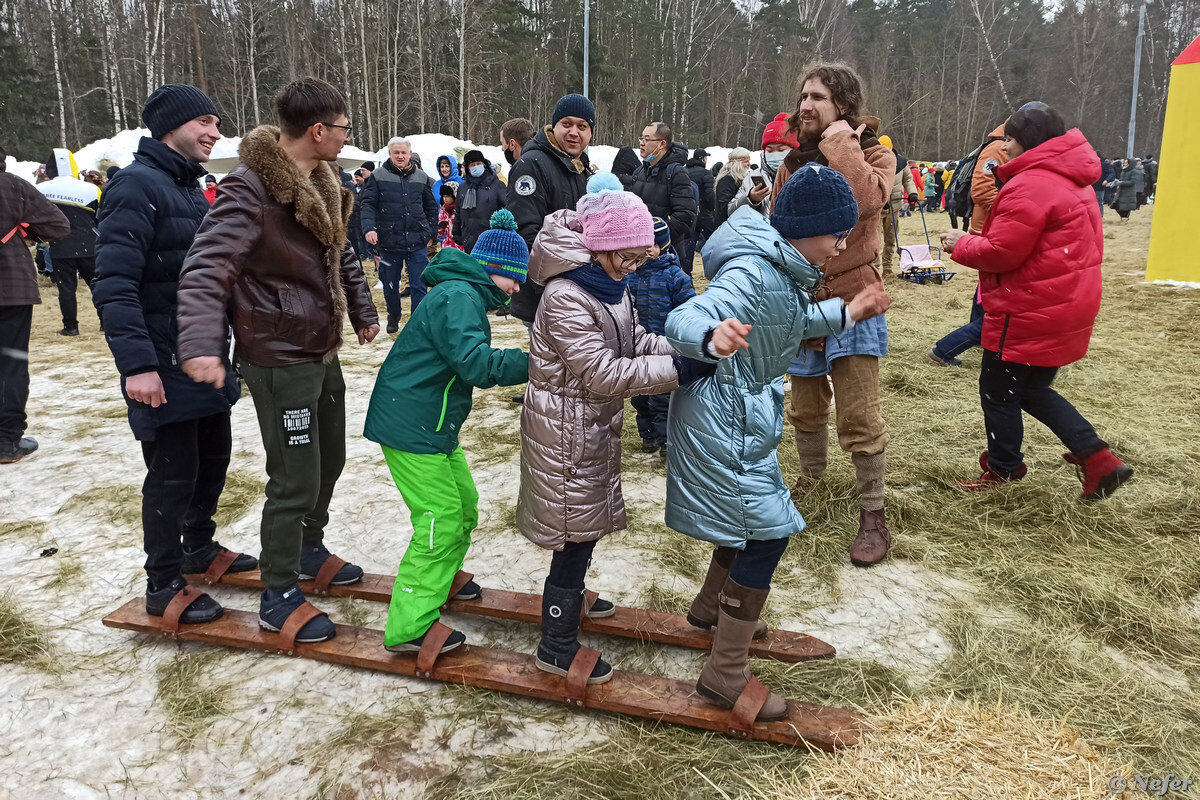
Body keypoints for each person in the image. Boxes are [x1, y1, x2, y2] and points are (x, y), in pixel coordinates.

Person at [667, 165, 890, 721]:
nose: (841, 247)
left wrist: (849, 310)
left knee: (751, 525)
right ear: (805, 228)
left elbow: (788, 321)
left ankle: (710, 609)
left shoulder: (781, 269)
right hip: (722, 420)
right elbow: (684, 315)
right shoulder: (752, 270)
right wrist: (708, 335)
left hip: (739, 416)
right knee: (768, 532)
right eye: (835, 235)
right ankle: (725, 674)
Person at [178, 77, 380, 644]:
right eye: (343, 128)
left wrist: (361, 309)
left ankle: (309, 547)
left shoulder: (325, 180)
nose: (347, 138)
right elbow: (206, 266)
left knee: (330, 460)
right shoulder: (250, 189)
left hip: (319, 348)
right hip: (277, 354)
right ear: (318, 130)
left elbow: (339, 257)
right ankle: (279, 592)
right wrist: (199, 346)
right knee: (293, 478)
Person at [518, 175, 694, 685]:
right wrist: (680, 374)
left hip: (591, 430)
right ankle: (556, 643)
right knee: (573, 535)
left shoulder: (611, 287)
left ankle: (569, 602)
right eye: (630, 257)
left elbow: (635, 341)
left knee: (585, 528)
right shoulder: (565, 297)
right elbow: (603, 372)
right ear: (601, 247)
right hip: (566, 434)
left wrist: (686, 350)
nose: (635, 267)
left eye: (642, 258)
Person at [93, 84, 257, 625]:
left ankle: (198, 548)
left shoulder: (188, 187)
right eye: (204, 123)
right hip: (161, 363)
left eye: (217, 124)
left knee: (213, 463)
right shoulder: (136, 186)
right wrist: (137, 366)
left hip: (203, 360)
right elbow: (115, 283)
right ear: (171, 126)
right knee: (171, 474)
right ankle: (163, 583)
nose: (215, 133)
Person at [939, 104, 1132, 500]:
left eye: (1009, 139)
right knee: (1032, 390)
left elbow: (1001, 252)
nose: (1004, 148)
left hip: (1028, 307)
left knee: (997, 389)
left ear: (1029, 142)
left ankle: (1005, 468)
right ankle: (1097, 458)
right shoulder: (1072, 179)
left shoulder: (1031, 184)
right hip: (1062, 305)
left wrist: (961, 243)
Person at [364, 210, 530, 655]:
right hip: (412, 425)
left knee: (465, 507)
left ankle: (439, 582)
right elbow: (476, 364)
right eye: (516, 279)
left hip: (430, 425)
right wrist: (535, 363)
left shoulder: (463, 294)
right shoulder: (459, 297)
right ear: (497, 271)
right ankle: (410, 627)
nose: (516, 290)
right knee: (440, 520)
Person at [771, 62, 897, 567]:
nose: (806, 105)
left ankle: (873, 512)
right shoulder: (791, 164)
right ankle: (813, 481)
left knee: (859, 413)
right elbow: (777, 231)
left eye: (819, 98)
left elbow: (865, 202)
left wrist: (842, 142)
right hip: (803, 301)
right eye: (803, 95)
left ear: (842, 107)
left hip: (855, 297)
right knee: (803, 406)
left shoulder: (873, 157)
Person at [506, 94, 597, 402]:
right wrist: (566, 276)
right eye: (567, 124)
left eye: (582, 126)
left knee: (566, 362)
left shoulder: (579, 166)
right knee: (552, 363)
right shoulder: (533, 164)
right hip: (545, 286)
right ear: (553, 126)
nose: (574, 132)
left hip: (576, 284)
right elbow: (527, 231)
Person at [0, 144, 70, 464]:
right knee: (10, 363)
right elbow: (58, 226)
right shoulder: (13, 186)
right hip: (8, 286)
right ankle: (5, 441)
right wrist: (25, 230)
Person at [627, 217, 695, 454]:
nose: (647, 249)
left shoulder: (676, 276)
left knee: (662, 395)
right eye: (643, 243)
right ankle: (647, 435)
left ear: (664, 246)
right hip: (637, 345)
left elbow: (689, 309)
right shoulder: (630, 276)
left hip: (663, 346)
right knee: (639, 395)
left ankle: (666, 438)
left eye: (653, 244)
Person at [361, 137, 438, 332]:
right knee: (390, 284)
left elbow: (431, 207)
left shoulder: (422, 177)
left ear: (410, 154)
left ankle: (417, 323)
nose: (400, 156)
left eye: (404, 153)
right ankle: (393, 315)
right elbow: (367, 204)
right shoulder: (377, 177)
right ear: (390, 154)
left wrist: (431, 232)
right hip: (388, 242)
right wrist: (369, 228)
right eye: (397, 153)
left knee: (419, 284)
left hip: (417, 241)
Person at [36, 148, 100, 337]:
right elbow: (101, 216)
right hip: (90, 245)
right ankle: (106, 322)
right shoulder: (91, 189)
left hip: (60, 246)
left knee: (66, 289)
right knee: (97, 286)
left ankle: (71, 327)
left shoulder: (41, 190)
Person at [627, 121, 698, 262]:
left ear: (662, 144)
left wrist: (660, 242)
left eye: (647, 139)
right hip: (640, 252)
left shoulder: (676, 172)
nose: (642, 143)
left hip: (667, 254)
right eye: (641, 138)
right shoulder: (639, 172)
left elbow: (685, 215)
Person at [729, 112, 798, 220]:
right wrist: (751, 199)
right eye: (769, 150)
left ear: (794, 150)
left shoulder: (802, 176)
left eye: (781, 150)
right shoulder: (753, 177)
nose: (775, 154)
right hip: (761, 235)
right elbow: (731, 212)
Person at [875, 134, 917, 276]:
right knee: (875, 241)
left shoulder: (901, 163)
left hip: (895, 206)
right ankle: (874, 267)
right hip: (878, 208)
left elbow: (908, 180)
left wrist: (913, 194)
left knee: (891, 238)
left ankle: (887, 267)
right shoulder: (873, 161)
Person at [452, 149, 506, 253]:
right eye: (472, 165)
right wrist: (457, 233)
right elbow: (458, 212)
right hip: (468, 240)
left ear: (484, 165)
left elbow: (506, 211)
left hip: (491, 242)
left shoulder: (497, 185)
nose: (476, 167)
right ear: (467, 168)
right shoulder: (462, 188)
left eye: (478, 163)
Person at [682, 148, 716, 275]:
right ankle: (715, 270)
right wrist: (711, 208)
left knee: (688, 246)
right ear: (703, 159)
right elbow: (709, 195)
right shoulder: (706, 173)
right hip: (704, 214)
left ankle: (686, 272)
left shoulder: (684, 172)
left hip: (689, 214)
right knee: (714, 242)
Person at [713, 147, 751, 230]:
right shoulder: (727, 180)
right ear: (737, 163)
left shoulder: (740, 179)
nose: (749, 164)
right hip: (728, 228)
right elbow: (725, 209)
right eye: (746, 161)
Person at [436, 183, 462, 252]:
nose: (445, 199)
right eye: (443, 196)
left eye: (447, 196)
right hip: (447, 244)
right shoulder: (443, 209)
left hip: (460, 245)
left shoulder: (460, 210)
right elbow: (440, 230)